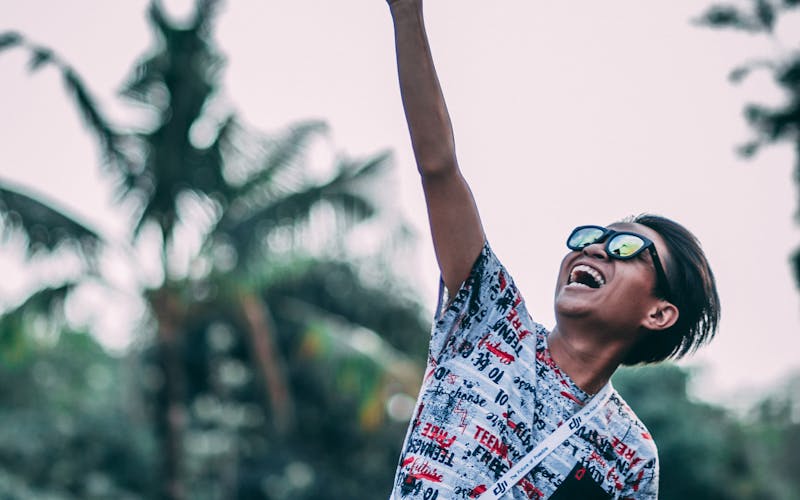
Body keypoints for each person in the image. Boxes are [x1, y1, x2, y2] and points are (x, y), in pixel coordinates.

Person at [382, 1, 721, 499]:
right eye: (590, 238)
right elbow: (439, 167)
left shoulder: (631, 455)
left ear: (660, 312)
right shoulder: (492, 318)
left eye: (628, 247)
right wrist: (407, 14)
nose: (598, 250)